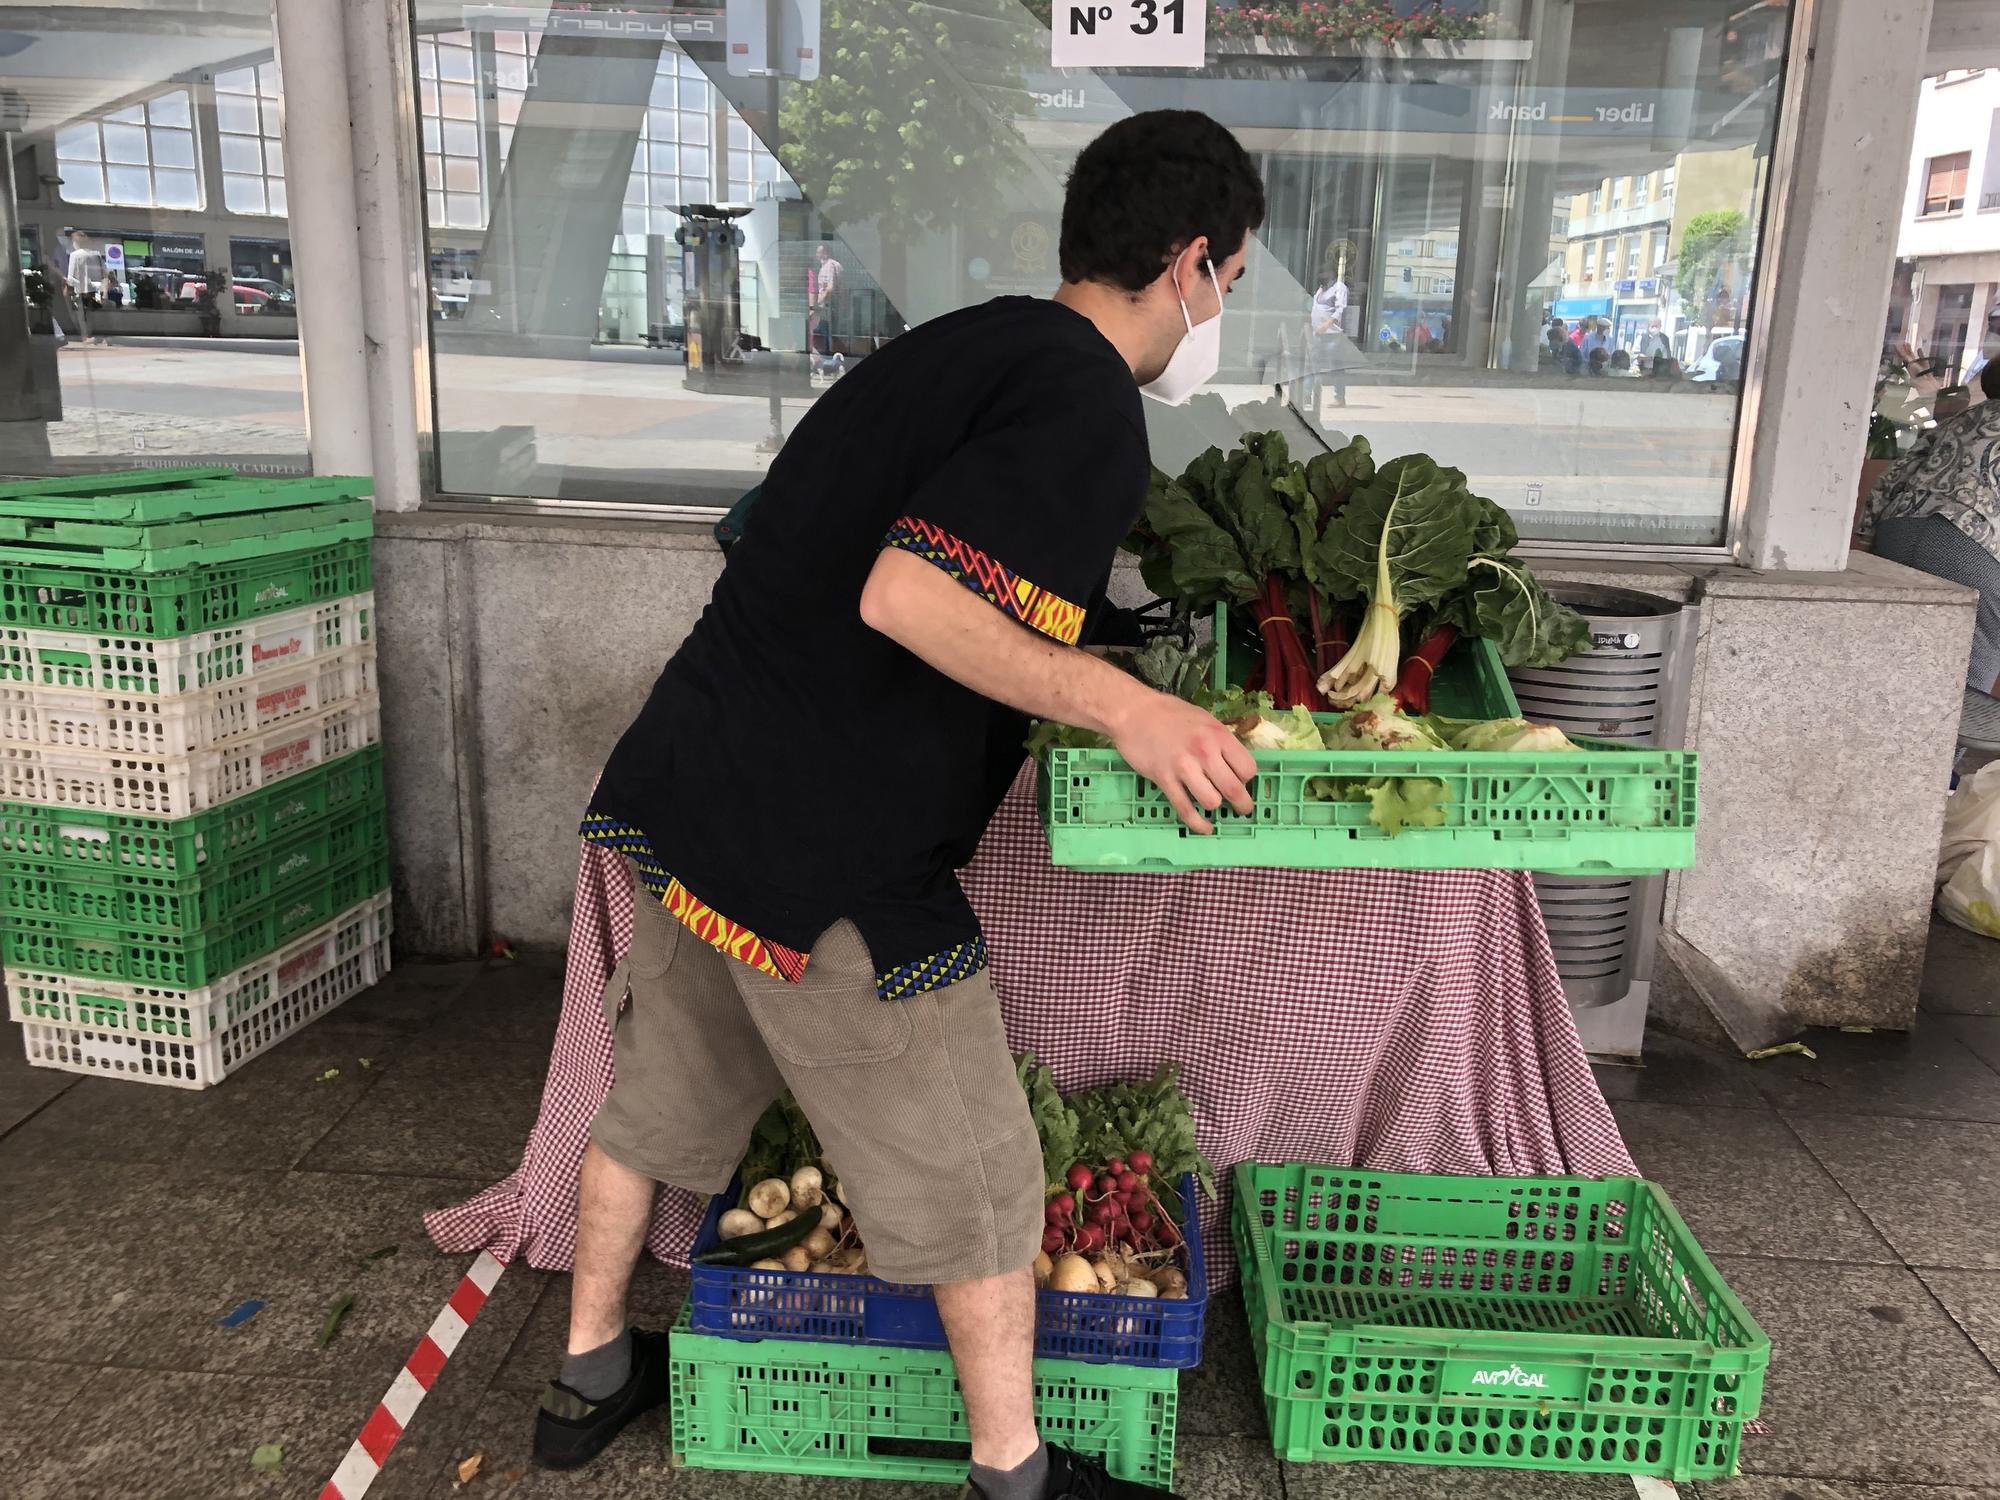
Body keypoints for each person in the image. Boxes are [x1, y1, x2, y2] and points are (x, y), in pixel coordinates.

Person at [535, 110, 1265, 1498]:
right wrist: (1125, 704)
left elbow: (784, 537)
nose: (1217, 305)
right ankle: (1015, 1475)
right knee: (983, 1167)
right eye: (1228, 277)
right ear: (1188, 264)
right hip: (830, 856)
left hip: (702, 787)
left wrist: (1078, 656)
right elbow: (907, 593)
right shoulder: (1085, 403)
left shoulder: (961, 344)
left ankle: (585, 1380)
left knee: (666, 1096)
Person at [1862, 360, 2000, 743]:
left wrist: (1866, 542)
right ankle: (1932, 786)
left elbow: (1895, 475)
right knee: (1965, 680)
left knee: (1894, 661)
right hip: (1971, 545)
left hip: (1900, 528)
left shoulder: (1966, 419)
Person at [1302, 266, 1352, 409]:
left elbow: (1340, 310)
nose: (1321, 275)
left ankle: (1339, 398)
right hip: (1317, 334)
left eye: (1324, 272)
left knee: (1335, 367)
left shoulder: (1339, 288)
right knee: (1311, 365)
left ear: (1331, 273)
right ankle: (1306, 395)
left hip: (1332, 335)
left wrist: (1326, 325)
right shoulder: (1321, 288)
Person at [809, 242, 843, 378]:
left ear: (825, 253)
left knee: (826, 332)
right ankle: (832, 363)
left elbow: (830, 288)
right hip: (832, 305)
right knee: (829, 333)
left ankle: (829, 364)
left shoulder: (829, 266)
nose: (817, 254)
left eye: (819, 252)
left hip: (828, 306)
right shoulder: (833, 265)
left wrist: (819, 305)